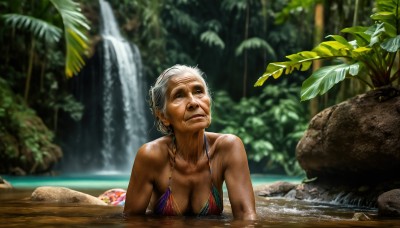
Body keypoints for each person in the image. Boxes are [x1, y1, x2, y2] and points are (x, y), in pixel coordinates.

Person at [123, 64, 257, 220]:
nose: (194, 102)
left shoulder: (228, 148)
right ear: (163, 116)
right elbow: (131, 220)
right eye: (179, 95)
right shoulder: (151, 156)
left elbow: (246, 216)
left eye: (199, 91)